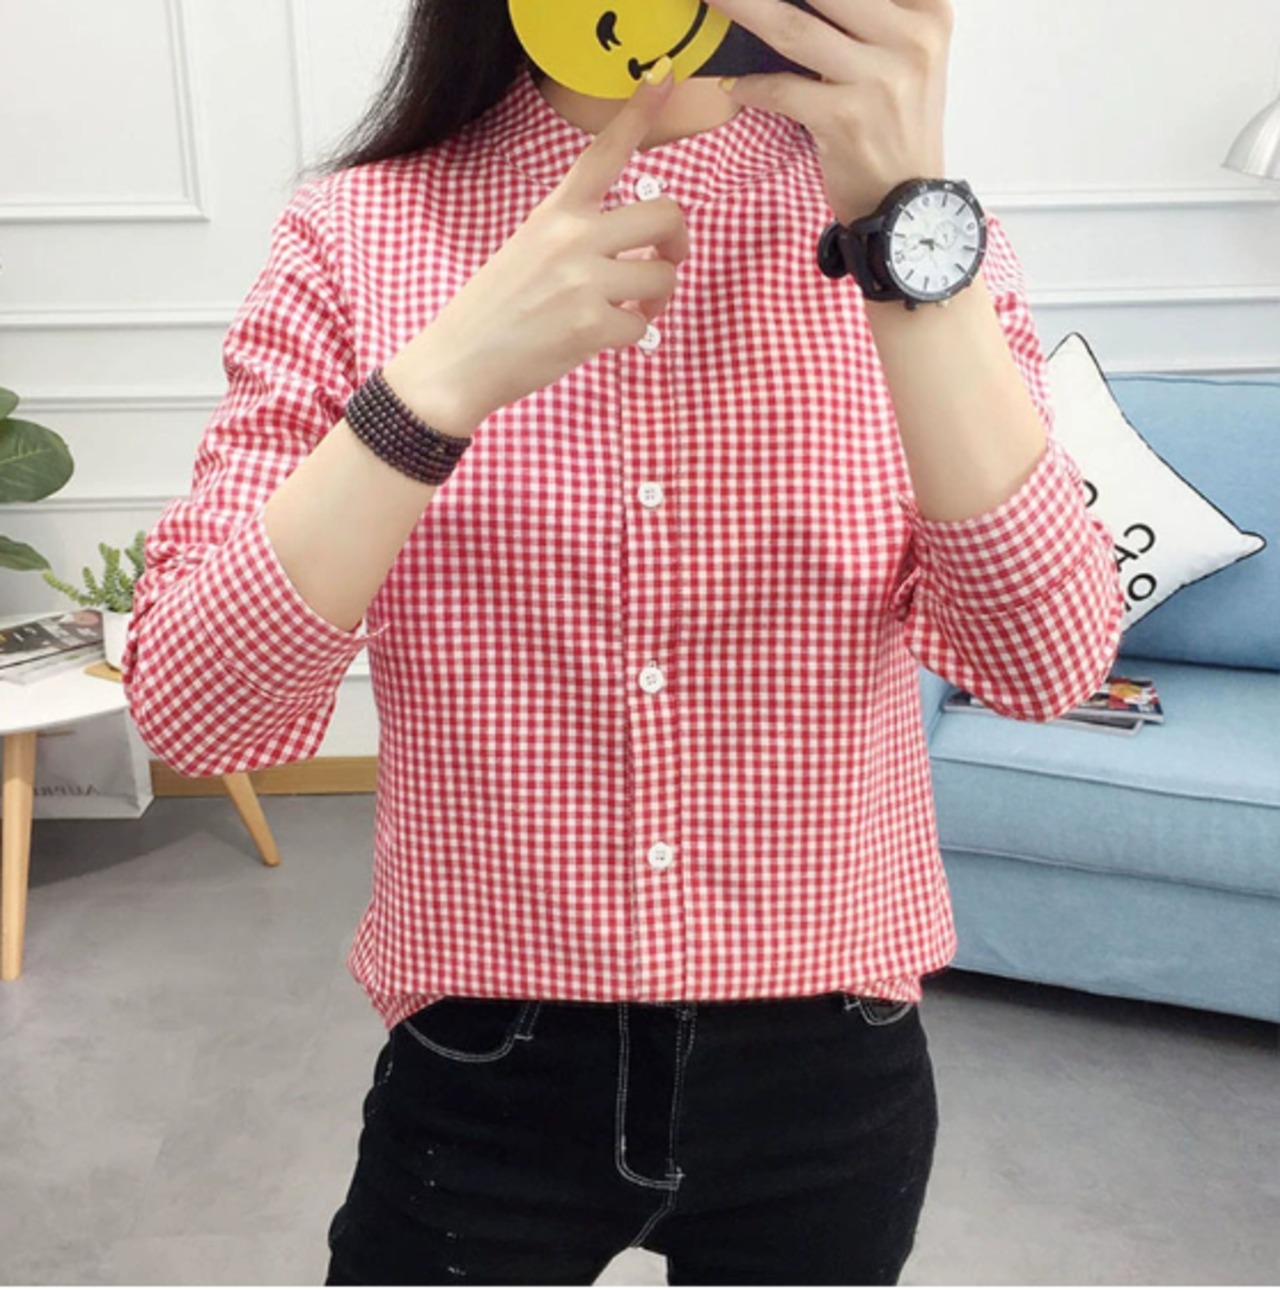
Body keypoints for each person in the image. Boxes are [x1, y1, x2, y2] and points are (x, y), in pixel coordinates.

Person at [122, 0, 1124, 1283]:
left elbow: (1042, 664)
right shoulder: (359, 231)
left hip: (829, 1062)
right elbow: (198, 714)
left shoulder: (912, 233)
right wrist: (435, 387)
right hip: (481, 1063)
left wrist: (902, 236)